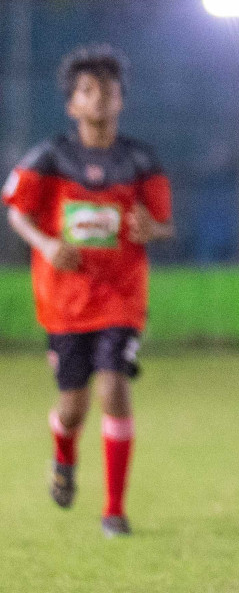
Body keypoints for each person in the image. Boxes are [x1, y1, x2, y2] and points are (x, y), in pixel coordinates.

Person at [3, 45, 175, 538]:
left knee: (113, 387)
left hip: (121, 297)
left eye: (108, 90)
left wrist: (151, 229)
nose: (98, 99)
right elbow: (16, 209)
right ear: (71, 104)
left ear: (121, 100)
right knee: (73, 405)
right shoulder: (50, 156)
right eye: (87, 91)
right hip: (63, 301)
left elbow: (163, 225)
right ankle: (63, 457)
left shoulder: (141, 160)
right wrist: (45, 241)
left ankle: (114, 510)